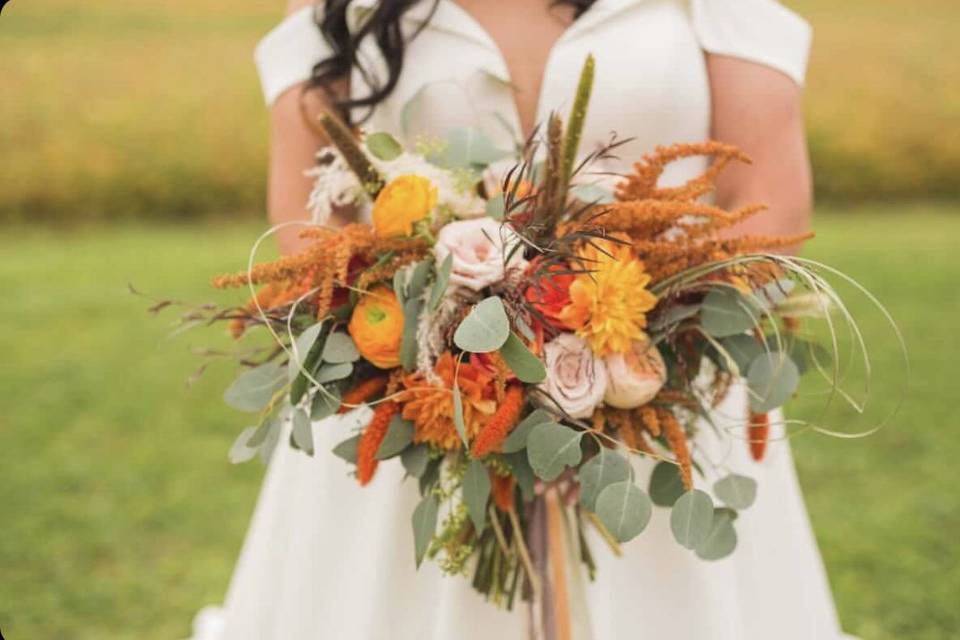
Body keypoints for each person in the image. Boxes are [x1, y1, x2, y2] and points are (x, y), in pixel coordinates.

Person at [190, 1, 853, 638]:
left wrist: (637, 350)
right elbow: (309, 217)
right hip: (411, 407)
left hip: (661, 405)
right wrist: (436, 344)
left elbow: (768, 200)